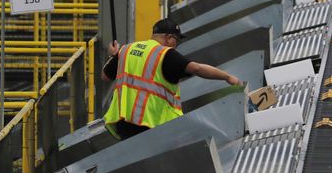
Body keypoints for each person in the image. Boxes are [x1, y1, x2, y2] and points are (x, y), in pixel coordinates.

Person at [101, 17, 242, 140]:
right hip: (151, 127)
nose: (176, 45)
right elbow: (197, 68)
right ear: (168, 38)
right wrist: (227, 77)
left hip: (123, 124)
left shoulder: (126, 50)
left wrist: (112, 56)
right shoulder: (165, 54)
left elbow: (105, 76)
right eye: (176, 40)